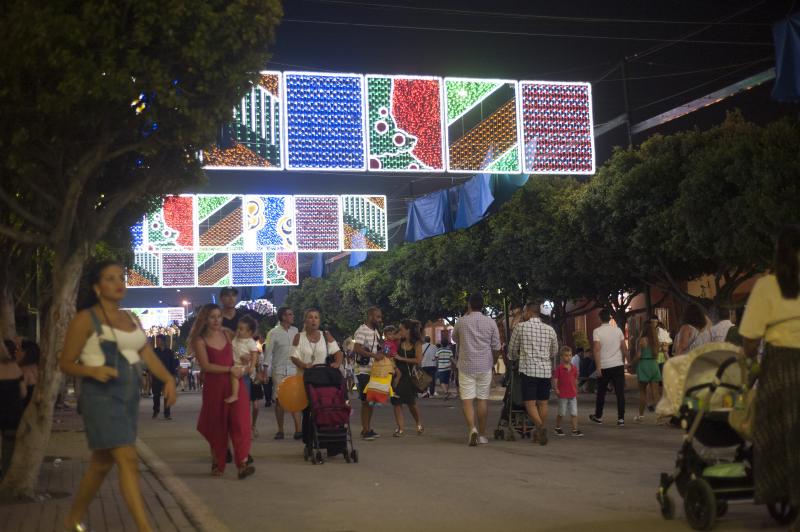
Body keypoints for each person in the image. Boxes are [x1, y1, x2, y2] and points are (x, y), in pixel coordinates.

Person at [59, 260, 177, 531]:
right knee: (127, 457)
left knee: (101, 464)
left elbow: (146, 354)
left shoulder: (131, 319)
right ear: (97, 288)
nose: (118, 283)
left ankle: (73, 518)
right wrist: (92, 369)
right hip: (100, 397)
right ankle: (144, 528)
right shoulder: (85, 319)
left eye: (121, 277)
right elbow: (65, 363)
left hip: (127, 398)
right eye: (110, 278)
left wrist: (169, 379)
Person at [739, 226, 800, 524]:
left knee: (778, 432)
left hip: (783, 368)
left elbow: (749, 341)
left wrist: (746, 360)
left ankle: (783, 489)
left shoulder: (768, 287)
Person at [190, 304, 254, 480]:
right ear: (205, 319)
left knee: (240, 423)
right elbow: (206, 366)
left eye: (219, 316)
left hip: (235, 383)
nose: (217, 320)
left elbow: (240, 349)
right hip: (215, 386)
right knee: (217, 425)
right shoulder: (200, 340)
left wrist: (246, 358)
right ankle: (217, 461)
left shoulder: (228, 333)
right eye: (212, 316)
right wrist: (229, 369)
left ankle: (242, 463)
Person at [452, 293, 502, 447]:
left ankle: (471, 429)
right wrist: (493, 362)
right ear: (482, 305)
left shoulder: (461, 322)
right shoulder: (491, 322)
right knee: (482, 400)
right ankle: (482, 435)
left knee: (467, 400)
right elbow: (496, 346)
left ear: (469, 305)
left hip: (466, 365)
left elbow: (454, 338)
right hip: (484, 366)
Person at [507, 300, 559, 445]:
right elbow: (554, 351)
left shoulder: (520, 327)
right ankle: (538, 431)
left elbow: (511, 350)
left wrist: (515, 358)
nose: (523, 314)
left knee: (530, 404)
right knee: (543, 403)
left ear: (529, 312)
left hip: (528, 370)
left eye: (524, 311)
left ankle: (541, 428)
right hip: (545, 371)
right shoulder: (550, 329)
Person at [263, 307, 301, 440]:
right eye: (290, 314)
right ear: (283, 317)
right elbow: (268, 353)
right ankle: (280, 430)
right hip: (279, 371)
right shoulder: (273, 332)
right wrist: (264, 372)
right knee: (279, 401)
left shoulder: (296, 331)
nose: (292, 316)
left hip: (293, 370)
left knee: (295, 400)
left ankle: (298, 430)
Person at [589, 309, 629, 427]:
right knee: (620, 393)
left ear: (600, 318)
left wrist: (598, 367)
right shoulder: (618, 330)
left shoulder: (597, 331)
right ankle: (621, 418)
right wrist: (630, 362)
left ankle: (598, 416)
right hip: (617, 365)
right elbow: (624, 348)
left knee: (601, 392)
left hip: (605, 365)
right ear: (610, 318)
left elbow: (596, 350)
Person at [353, 307, 384, 440]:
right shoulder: (362, 330)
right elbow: (356, 348)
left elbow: (379, 348)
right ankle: (365, 430)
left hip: (373, 370)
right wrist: (373, 355)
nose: (379, 319)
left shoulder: (376, 332)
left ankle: (368, 429)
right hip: (363, 370)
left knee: (371, 401)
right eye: (377, 317)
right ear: (370, 316)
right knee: (366, 401)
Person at [392, 319, 424, 436]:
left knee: (411, 403)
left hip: (410, 376)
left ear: (408, 330)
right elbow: (389, 348)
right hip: (397, 375)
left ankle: (419, 423)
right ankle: (400, 428)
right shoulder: (399, 342)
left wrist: (401, 358)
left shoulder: (417, 343)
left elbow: (418, 360)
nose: (400, 331)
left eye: (401, 329)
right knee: (396, 402)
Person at [0, 340, 26, 480]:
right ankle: (6, 475)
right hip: (12, 413)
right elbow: (23, 393)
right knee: (9, 446)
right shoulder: (15, 368)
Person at [225, 316, 259, 404]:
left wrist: (252, 367)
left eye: (241, 329)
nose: (238, 330)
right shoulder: (236, 339)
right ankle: (236, 395)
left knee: (234, 376)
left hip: (245, 366)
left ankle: (235, 395)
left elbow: (254, 355)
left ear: (249, 332)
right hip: (237, 364)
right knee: (234, 377)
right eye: (238, 328)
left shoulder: (250, 342)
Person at [633, 321, 662, 422]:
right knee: (656, 393)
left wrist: (632, 363)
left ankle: (640, 416)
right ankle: (659, 417)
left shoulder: (641, 340)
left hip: (644, 365)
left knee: (642, 392)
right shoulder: (656, 342)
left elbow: (638, 355)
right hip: (654, 365)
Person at [553, 346, 582, 437]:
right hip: (563, 394)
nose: (568, 357)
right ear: (561, 357)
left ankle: (575, 429)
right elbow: (555, 379)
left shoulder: (574, 368)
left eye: (570, 355)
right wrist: (556, 388)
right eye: (566, 355)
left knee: (574, 412)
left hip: (572, 394)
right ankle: (557, 427)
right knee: (561, 412)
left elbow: (575, 379)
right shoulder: (559, 368)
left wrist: (577, 389)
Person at [152, 335, 178, 420]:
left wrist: (173, 376)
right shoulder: (154, 351)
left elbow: (173, 365)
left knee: (167, 395)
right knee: (156, 395)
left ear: (163, 341)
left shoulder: (169, 352)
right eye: (157, 340)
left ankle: (167, 413)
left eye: (159, 340)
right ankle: (156, 410)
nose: (158, 342)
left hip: (167, 376)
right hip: (156, 376)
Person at [17, 339, 39, 410]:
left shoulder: (23, 370)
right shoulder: (38, 368)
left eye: (18, 350)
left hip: (25, 409)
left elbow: (22, 394)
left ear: (25, 352)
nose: (16, 353)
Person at [435, 336, 455, 400]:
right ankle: (446, 394)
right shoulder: (449, 350)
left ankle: (446, 392)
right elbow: (452, 358)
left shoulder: (439, 350)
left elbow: (435, 358)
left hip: (441, 368)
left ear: (441, 343)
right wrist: (455, 364)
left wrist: (435, 359)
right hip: (448, 368)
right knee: (446, 381)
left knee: (441, 382)